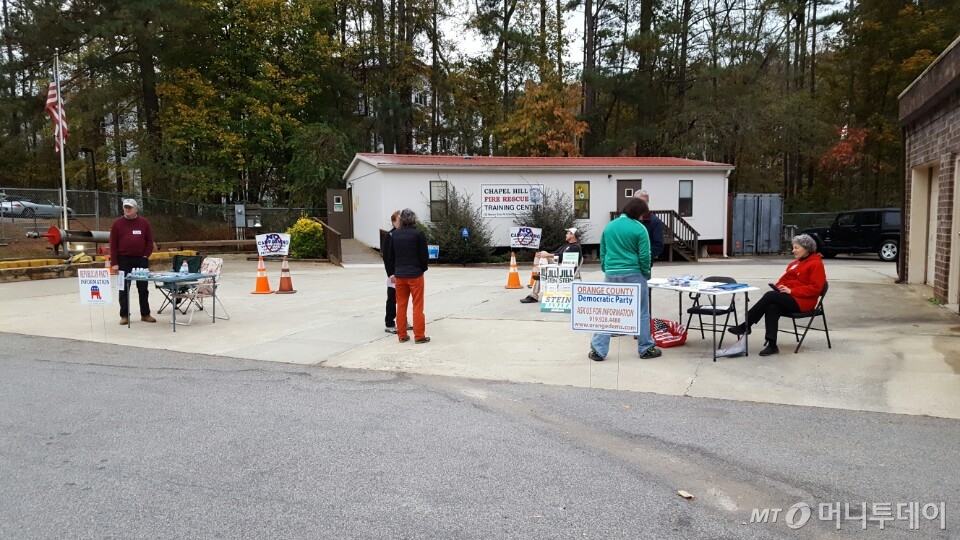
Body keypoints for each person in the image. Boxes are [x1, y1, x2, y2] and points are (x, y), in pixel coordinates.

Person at [727, 234, 826, 356]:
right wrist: (780, 287)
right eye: (793, 247)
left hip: (803, 302)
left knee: (770, 296)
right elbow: (783, 280)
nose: (793, 250)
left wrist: (792, 291)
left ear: (807, 248)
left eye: (796, 248)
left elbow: (815, 289)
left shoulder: (816, 264)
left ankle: (746, 325)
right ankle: (772, 345)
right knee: (772, 306)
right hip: (790, 298)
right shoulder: (795, 264)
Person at [588, 198, 661, 361]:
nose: (643, 217)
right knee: (641, 311)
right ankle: (646, 348)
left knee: (607, 312)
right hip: (633, 273)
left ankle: (598, 350)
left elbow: (603, 250)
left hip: (611, 273)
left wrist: (606, 268)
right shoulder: (639, 228)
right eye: (643, 214)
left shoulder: (609, 226)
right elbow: (645, 255)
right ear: (638, 213)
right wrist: (645, 272)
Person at [385, 208, 430, 344]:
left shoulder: (395, 235)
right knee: (417, 305)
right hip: (415, 274)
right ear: (413, 219)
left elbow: (391, 256)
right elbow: (424, 256)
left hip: (400, 275)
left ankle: (402, 335)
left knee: (401, 305)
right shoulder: (418, 234)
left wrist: (394, 272)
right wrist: (422, 269)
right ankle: (419, 336)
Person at [110, 198, 156, 325]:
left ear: (136, 209)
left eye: (130, 207)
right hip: (123, 260)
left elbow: (149, 241)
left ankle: (145, 314)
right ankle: (124, 315)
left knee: (143, 288)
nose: (127, 209)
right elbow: (113, 244)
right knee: (123, 289)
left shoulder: (144, 222)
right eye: (125, 207)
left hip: (141, 260)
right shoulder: (117, 223)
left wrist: (146, 256)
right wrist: (114, 263)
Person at [519, 227, 582, 304]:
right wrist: (545, 254)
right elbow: (556, 252)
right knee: (544, 254)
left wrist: (547, 255)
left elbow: (563, 257)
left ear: (572, 235)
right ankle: (541, 273)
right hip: (559, 265)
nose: (566, 235)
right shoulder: (566, 245)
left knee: (545, 259)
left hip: (566, 269)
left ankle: (536, 288)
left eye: (567, 233)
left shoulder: (576, 247)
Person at [381, 210, 412, 334]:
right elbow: (387, 257)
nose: (401, 222)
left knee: (402, 299)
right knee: (392, 298)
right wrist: (391, 274)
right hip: (394, 273)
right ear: (393, 222)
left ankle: (403, 321)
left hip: (403, 272)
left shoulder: (404, 234)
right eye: (399, 220)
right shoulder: (390, 236)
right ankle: (389, 323)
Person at [634, 190, 664, 262]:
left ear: (647, 203)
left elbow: (658, 245)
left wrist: (644, 257)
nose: (640, 204)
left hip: (644, 263)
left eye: (643, 202)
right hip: (626, 262)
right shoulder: (628, 219)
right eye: (638, 201)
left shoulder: (655, 222)